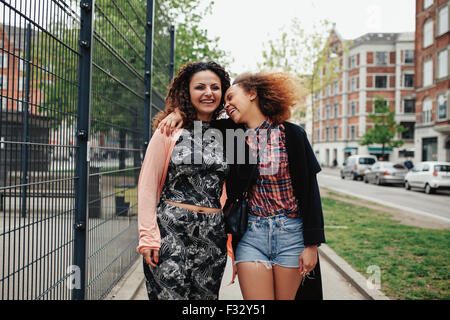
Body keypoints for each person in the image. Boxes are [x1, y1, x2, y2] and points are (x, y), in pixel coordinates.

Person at [158, 71, 326, 300]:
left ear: (252, 94)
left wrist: (312, 245)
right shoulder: (231, 134)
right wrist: (178, 112)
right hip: (251, 234)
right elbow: (199, 119)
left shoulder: (292, 134)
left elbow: (310, 193)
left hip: (291, 234)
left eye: (230, 97)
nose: (226, 105)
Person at [137, 61, 231, 300]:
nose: (208, 93)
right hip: (171, 231)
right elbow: (148, 185)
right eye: (200, 87)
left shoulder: (229, 133)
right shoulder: (168, 130)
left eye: (215, 87)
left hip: (212, 235)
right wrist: (147, 236)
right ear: (186, 92)